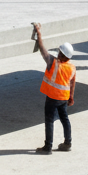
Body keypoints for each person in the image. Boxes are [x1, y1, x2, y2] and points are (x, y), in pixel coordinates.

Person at [33, 24, 75, 154]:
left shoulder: (53, 62)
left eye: (59, 52)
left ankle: (48, 147)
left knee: (49, 121)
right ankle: (67, 143)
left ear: (62, 54)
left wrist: (38, 33)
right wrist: (71, 97)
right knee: (64, 119)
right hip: (64, 98)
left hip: (52, 97)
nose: (58, 53)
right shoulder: (72, 67)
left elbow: (42, 49)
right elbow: (72, 83)